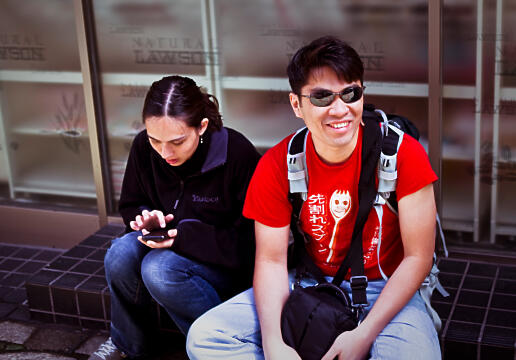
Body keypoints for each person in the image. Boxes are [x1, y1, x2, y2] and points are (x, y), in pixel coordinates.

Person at [186, 36, 441, 360]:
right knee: (206, 338)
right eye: (322, 97)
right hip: (310, 284)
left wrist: (363, 335)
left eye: (351, 93)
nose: (340, 109)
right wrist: (274, 344)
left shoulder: (403, 154)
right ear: (297, 104)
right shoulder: (278, 164)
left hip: (386, 287)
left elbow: (418, 257)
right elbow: (271, 260)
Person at [90, 75, 261, 360]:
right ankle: (128, 346)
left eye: (177, 141)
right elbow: (131, 203)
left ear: (202, 126)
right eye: (155, 140)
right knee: (120, 253)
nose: (165, 152)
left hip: (226, 266)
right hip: (171, 246)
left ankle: (218, 348)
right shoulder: (145, 147)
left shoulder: (237, 155)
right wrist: (146, 217)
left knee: (159, 270)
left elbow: (250, 245)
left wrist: (184, 237)